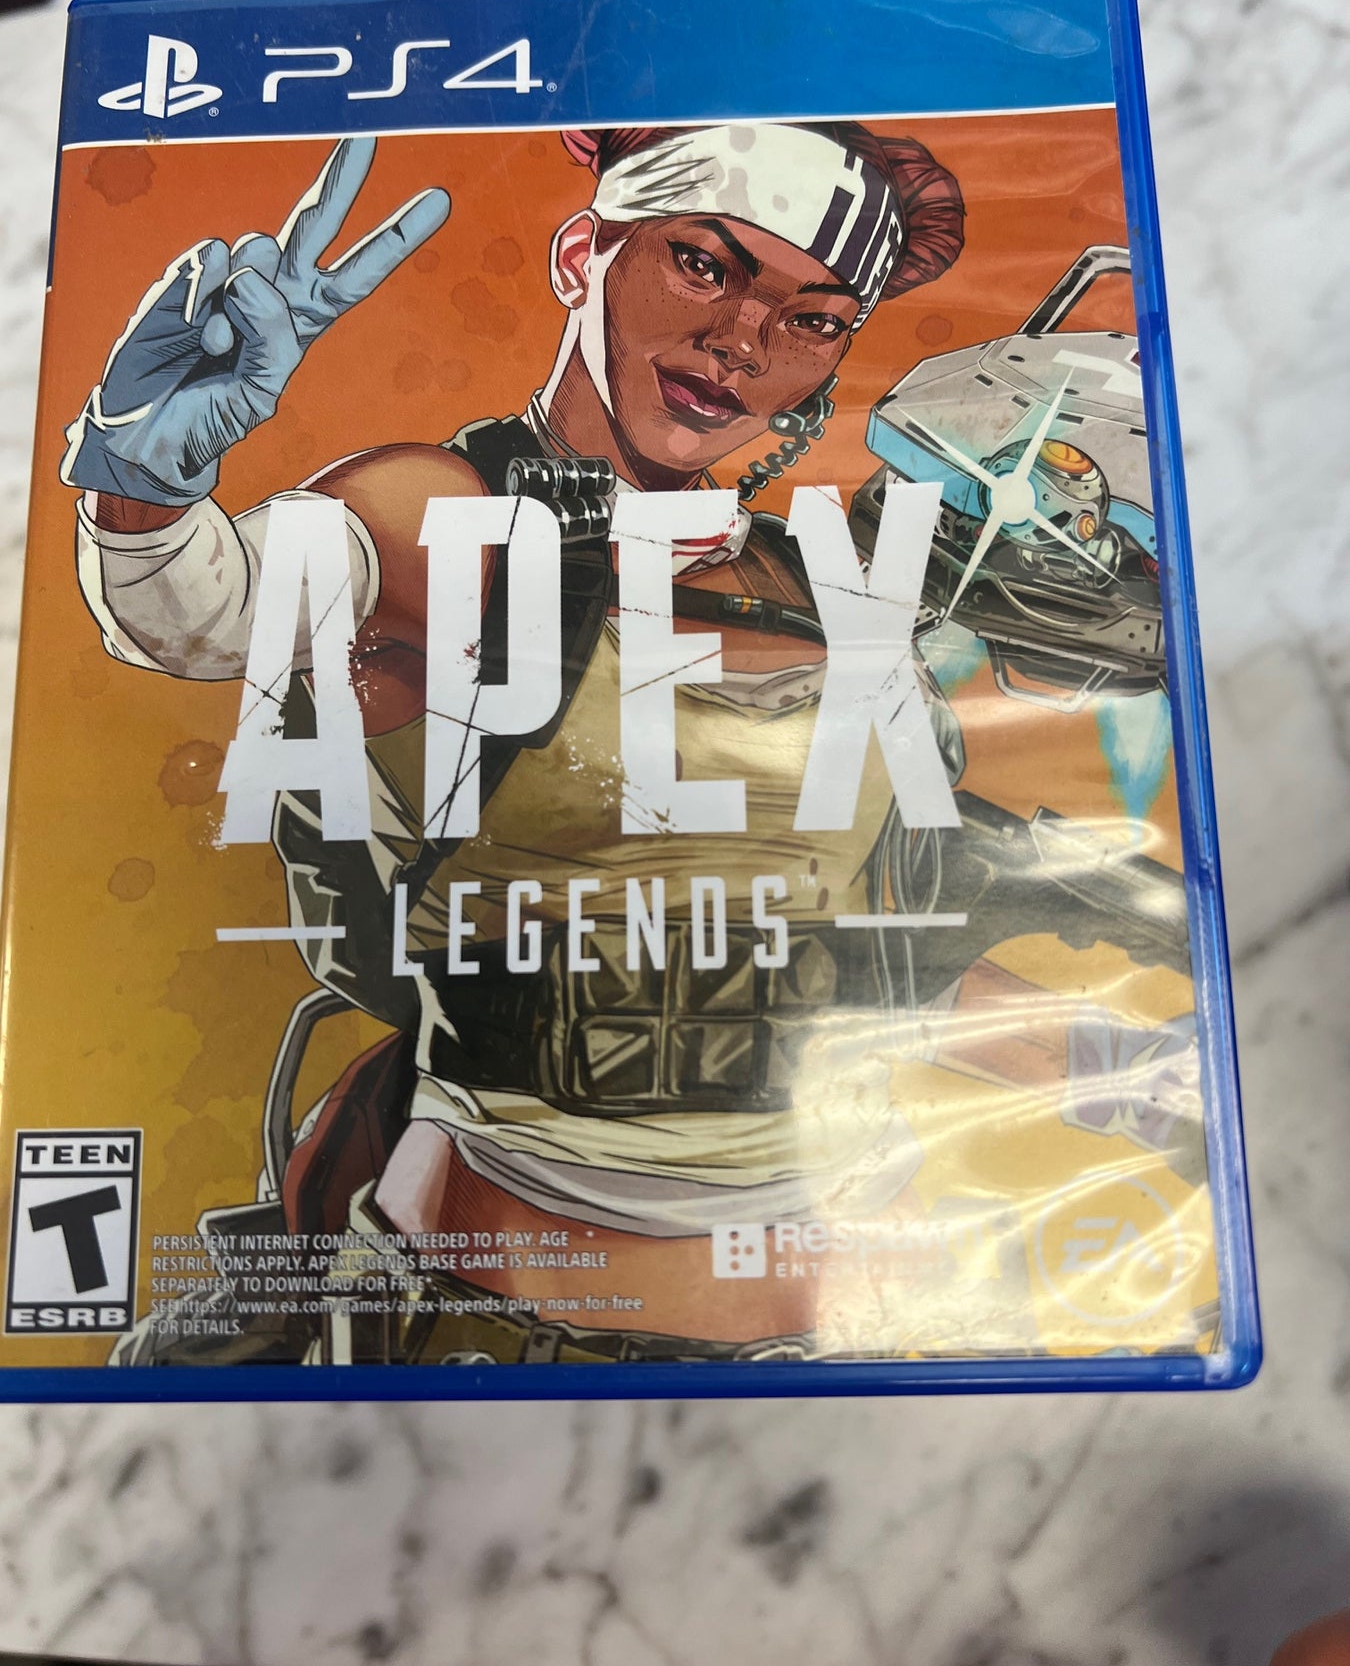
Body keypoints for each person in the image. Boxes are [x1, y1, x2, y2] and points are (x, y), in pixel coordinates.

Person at [67, 119, 1143, 1368]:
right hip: (482, 1334)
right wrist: (141, 477)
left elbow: (863, 973)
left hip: (847, 1338)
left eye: (812, 320)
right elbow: (201, 610)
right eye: (704, 264)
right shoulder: (441, 517)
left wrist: (1139, 1064)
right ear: (583, 253)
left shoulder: (827, 588)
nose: (742, 342)